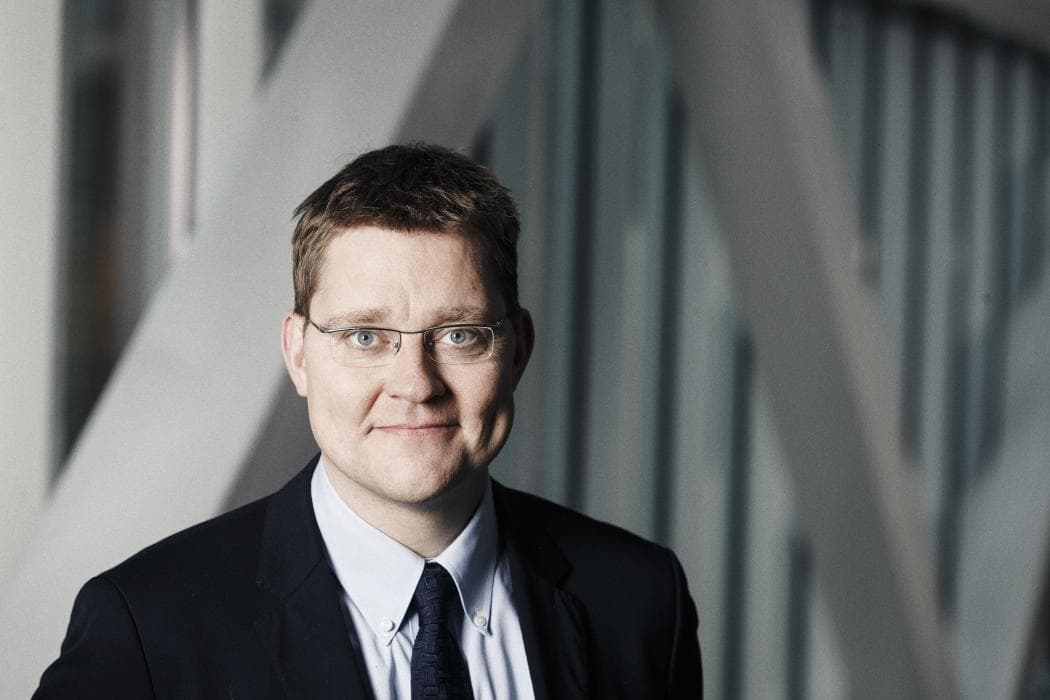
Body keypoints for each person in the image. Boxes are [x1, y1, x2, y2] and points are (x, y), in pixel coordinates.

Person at [35, 143, 703, 698]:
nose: (415, 385)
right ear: (298, 353)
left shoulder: (642, 601)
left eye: (459, 335)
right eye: (365, 337)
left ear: (518, 350)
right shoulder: (148, 630)